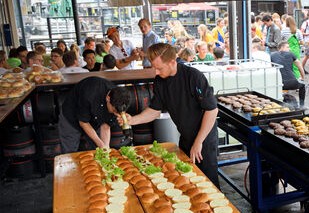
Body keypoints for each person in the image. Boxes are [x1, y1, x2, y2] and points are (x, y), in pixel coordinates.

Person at [119, 43, 220, 187]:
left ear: (172, 62)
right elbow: (155, 110)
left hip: (204, 139)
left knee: (208, 183)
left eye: (159, 68)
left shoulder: (193, 77)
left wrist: (198, 142)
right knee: (187, 180)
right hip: (185, 137)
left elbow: (211, 110)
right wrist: (132, 120)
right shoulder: (160, 81)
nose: (156, 72)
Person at [58, 77, 132, 152]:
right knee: (70, 151)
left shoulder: (119, 101)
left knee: (97, 150)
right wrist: (100, 144)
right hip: (71, 117)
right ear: (108, 98)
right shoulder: (90, 93)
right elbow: (83, 122)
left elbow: (106, 126)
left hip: (95, 120)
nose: (116, 114)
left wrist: (105, 147)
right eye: (114, 111)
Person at [271, 41, 306, 107]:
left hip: (279, 84)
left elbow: (270, 69)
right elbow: (300, 66)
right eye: (287, 47)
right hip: (292, 83)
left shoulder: (272, 55)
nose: (289, 49)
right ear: (282, 47)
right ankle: (302, 105)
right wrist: (302, 77)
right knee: (302, 85)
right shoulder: (290, 54)